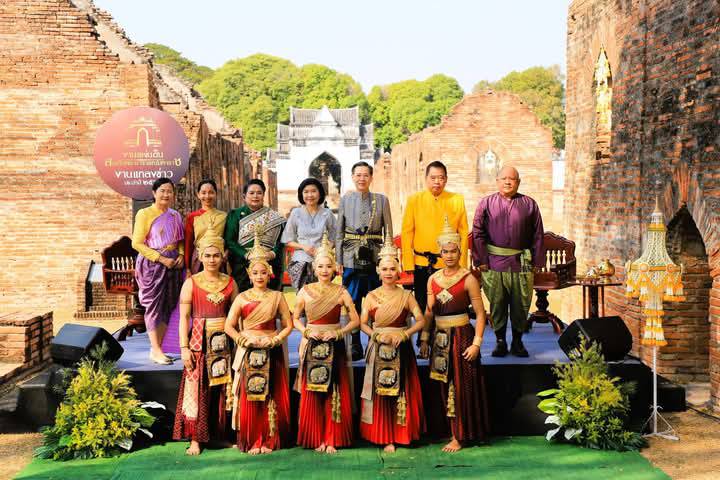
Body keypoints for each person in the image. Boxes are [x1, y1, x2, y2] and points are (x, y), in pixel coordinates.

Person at [419, 217, 490, 452]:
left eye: (453, 251)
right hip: (439, 338)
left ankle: (461, 434)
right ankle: (447, 430)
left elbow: (480, 314)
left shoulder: (468, 279)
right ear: (440, 253)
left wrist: (476, 344)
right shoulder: (432, 279)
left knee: (461, 387)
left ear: (460, 252)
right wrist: (425, 339)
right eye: (445, 251)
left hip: (462, 337)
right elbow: (429, 313)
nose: (449, 255)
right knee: (441, 384)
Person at [225, 226, 293, 454]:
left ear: (269, 272)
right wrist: (241, 339)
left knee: (271, 392)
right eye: (255, 273)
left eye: (263, 272)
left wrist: (276, 340)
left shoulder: (277, 296)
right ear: (249, 274)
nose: (259, 276)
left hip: (271, 348)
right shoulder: (242, 298)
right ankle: (254, 439)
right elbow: (229, 326)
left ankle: (270, 439)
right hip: (249, 350)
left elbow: (288, 324)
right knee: (252, 393)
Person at [293, 233, 359, 454]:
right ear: (314, 268)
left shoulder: (341, 292)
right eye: (320, 266)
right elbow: (295, 319)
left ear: (335, 269)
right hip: (311, 344)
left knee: (333, 391)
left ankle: (332, 437)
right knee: (314, 391)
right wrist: (306, 331)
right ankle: (316, 437)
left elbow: (356, 320)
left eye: (328, 266)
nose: (324, 270)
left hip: (335, 344)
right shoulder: (304, 291)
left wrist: (338, 333)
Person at [359, 235, 425, 453]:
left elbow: (421, 320)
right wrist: (376, 336)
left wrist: (405, 335)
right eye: (385, 269)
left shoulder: (407, 296)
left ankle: (402, 433)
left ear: (399, 272)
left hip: (401, 348)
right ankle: (384, 435)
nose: (388, 273)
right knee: (381, 391)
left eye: (392, 269)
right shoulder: (371, 296)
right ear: (378, 271)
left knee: (401, 389)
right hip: (378, 347)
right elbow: (362, 324)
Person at [173, 233, 238, 455]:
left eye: (216, 255)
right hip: (198, 343)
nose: (211, 260)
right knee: (197, 389)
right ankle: (195, 439)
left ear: (223, 257)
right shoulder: (191, 283)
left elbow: (237, 315)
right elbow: (184, 318)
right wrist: (184, 348)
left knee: (221, 389)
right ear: (200, 256)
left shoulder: (230, 283)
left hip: (224, 344)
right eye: (207, 255)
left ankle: (219, 435)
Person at [472, 166, 544, 357]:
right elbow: (478, 232)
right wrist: (480, 259)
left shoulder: (529, 204)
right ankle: (500, 341)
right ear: (497, 181)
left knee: (521, 303)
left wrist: (537, 261)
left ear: (518, 182)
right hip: (494, 263)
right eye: (503, 178)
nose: (507, 182)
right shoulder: (486, 203)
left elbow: (538, 234)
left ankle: (518, 341)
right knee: (498, 303)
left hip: (521, 263)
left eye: (512, 179)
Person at [336, 161, 393, 360]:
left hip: (375, 256)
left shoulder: (382, 200)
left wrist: (388, 257)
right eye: (358, 175)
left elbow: (388, 232)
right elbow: (339, 232)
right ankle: (354, 343)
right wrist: (339, 259)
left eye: (365, 175)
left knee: (375, 299)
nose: (362, 179)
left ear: (371, 177)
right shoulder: (345, 200)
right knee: (352, 300)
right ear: (353, 177)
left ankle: (373, 339)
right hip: (350, 257)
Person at [401, 161, 468, 319]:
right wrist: (408, 262)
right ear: (426, 179)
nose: (437, 181)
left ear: (446, 179)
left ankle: (445, 333)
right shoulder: (414, 200)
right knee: (422, 302)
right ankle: (423, 332)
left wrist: (462, 263)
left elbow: (463, 233)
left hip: (448, 262)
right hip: (422, 262)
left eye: (441, 178)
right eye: (433, 178)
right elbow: (407, 232)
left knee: (447, 302)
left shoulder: (456, 199)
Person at [132, 177, 184, 364]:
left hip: (173, 266)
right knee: (154, 307)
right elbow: (137, 243)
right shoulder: (144, 214)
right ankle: (155, 349)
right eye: (162, 190)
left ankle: (158, 349)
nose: (166, 194)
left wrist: (181, 255)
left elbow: (180, 240)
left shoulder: (175, 215)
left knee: (168, 306)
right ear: (154, 193)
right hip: (152, 265)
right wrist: (161, 259)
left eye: (169, 191)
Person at [225, 179, 286, 291]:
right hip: (243, 265)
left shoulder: (275, 217)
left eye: (259, 193)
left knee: (268, 297)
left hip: (268, 263)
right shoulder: (235, 215)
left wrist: (272, 253)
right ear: (244, 196)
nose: (255, 196)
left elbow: (281, 240)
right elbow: (230, 241)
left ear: (263, 195)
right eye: (251, 193)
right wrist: (246, 255)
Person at [184, 179, 227, 274]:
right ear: (198, 195)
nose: (207, 196)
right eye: (203, 193)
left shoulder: (224, 216)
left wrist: (226, 254)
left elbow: (228, 240)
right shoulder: (192, 217)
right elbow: (188, 243)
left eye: (211, 192)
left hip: (218, 258)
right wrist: (187, 268)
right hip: (198, 259)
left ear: (216, 194)